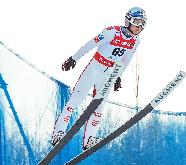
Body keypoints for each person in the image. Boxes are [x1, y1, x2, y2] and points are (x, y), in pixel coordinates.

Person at [52, 7, 147, 150]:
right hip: (95, 68)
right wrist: (74, 58)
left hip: (110, 73)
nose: (140, 27)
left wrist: (118, 76)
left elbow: (126, 59)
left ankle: (89, 139)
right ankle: (58, 133)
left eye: (143, 23)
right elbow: (90, 44)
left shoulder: (136, 41)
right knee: (75, 101)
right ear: (128, 21)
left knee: (99, 107)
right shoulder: (111, 32)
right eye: (137, 22)